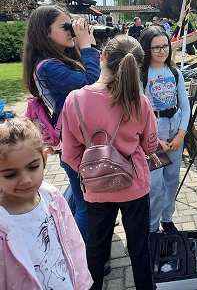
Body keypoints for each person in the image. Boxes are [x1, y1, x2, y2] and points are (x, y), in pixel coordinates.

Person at [61, 35, 158, 290]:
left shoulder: (74, 100)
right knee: (140, 251)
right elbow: (149, 146)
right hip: (134, 185)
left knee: (95, 250)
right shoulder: (140, 102)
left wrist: (96, 171)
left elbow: (70, 154)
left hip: (95, 189)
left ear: (102, 57)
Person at [22, 4, 100, 241]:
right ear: (46, 32)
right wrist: (87, 46)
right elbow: (92, 82)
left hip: (75, 138)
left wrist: (82, 46)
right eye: (65, 27)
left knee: (79, 193)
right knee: (86, 203)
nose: (71, 31)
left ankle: (62, 232)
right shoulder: (48, 67)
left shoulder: (57, 60)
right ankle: (85, 258)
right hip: (74, 141)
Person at [0, 116, 93, 290]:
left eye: (33, 167)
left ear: (44, 158)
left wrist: (82, 283)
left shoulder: (52, 196)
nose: (26, 180)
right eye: (10, 175)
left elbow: (74, 243)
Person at [138, 26, 190, 233]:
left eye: (165, 46)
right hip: (154, 135)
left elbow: (185, 106)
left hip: (175, 131)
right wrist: (154, 141)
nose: (162, 51)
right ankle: (152, 227)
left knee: (172, 179)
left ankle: (167, 219)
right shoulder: (141, 75)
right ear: (146, 49)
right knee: (155, 184)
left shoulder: (175, 73)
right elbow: (138, 113)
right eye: (156, 47)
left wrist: (181, 134)